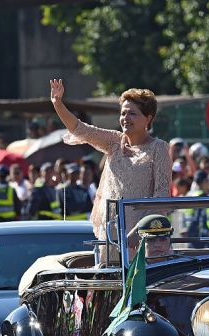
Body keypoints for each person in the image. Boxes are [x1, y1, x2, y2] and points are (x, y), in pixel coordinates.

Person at [50, 78, 172, 241]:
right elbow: (80, 129)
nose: (125, 118)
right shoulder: (114, 141)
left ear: (148, 119)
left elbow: (161, 198)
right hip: (109, 235)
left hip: (143, 238)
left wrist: (137, 234)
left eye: (132, 113)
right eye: (123, 113)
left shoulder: (159, 148)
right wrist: (58, 103)